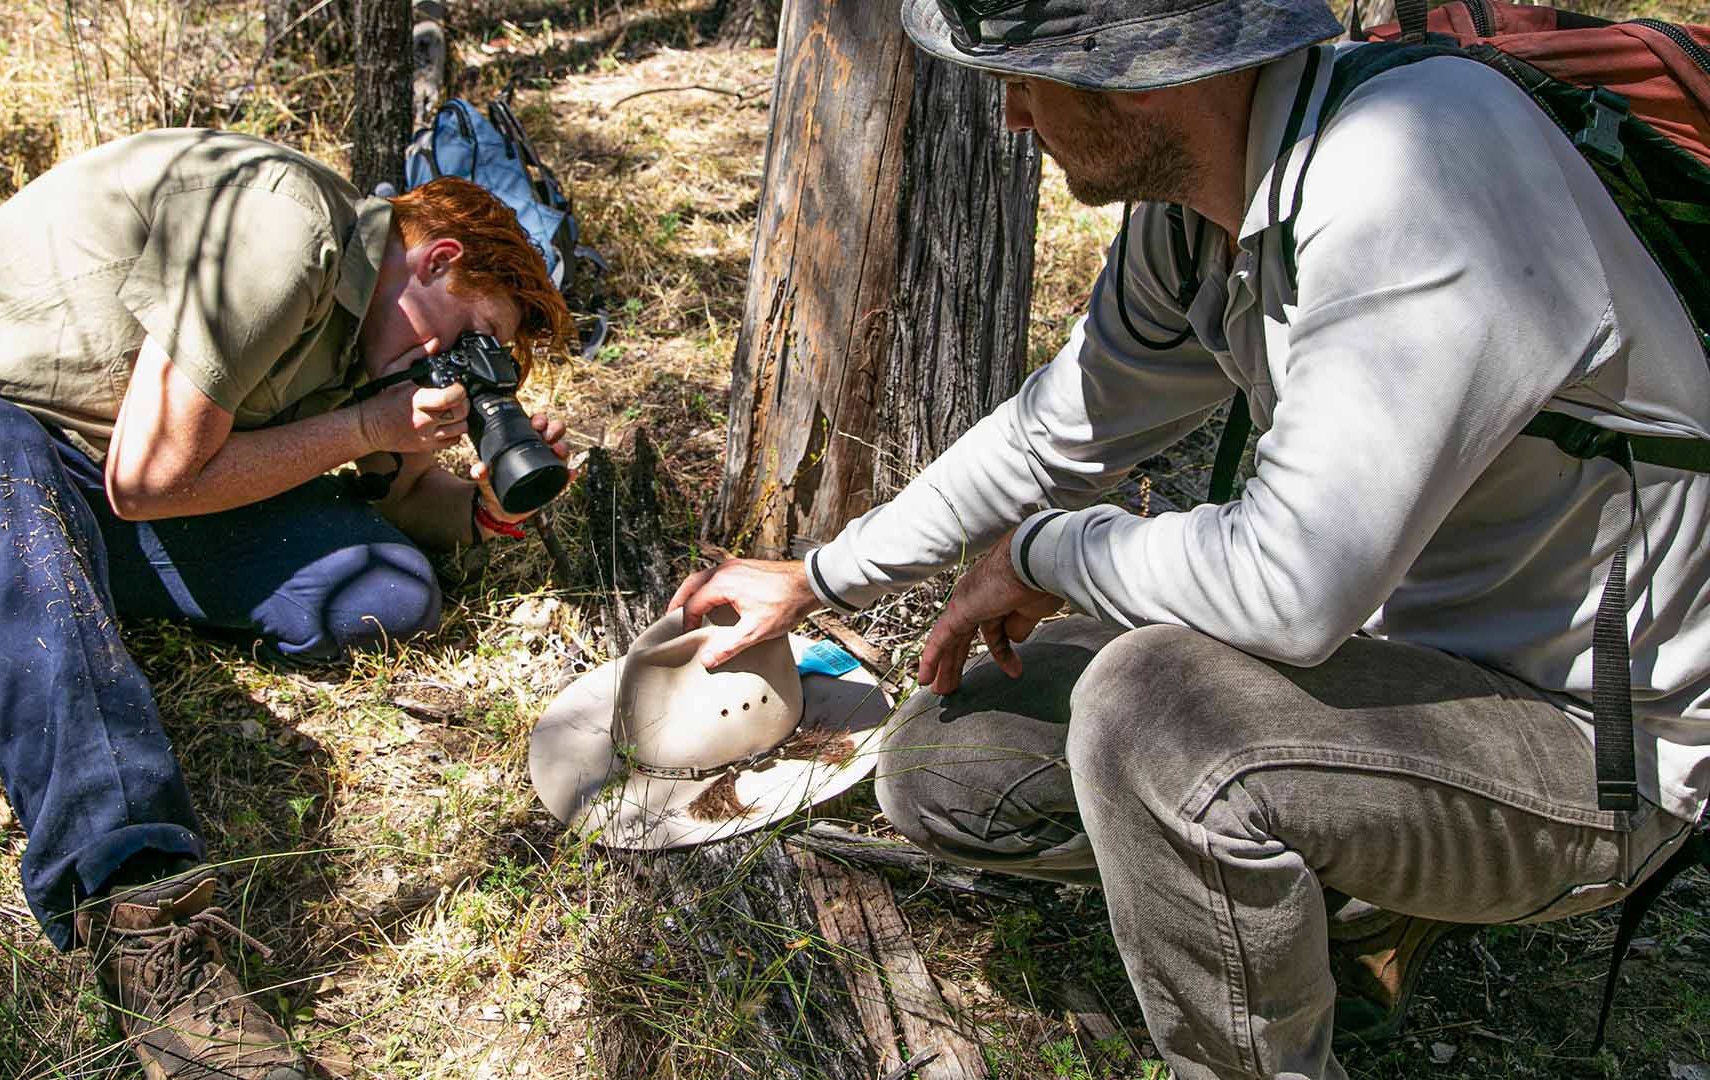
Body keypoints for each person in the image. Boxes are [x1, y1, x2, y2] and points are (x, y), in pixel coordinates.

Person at [669, 2, 1710, 1076]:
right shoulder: (1205, 208)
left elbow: (1288, 588)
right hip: (1393, 677)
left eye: (1029, 80)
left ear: (1144, 76)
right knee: (949, 758)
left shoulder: (1414, 166)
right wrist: (817, 576)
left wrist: (1046, 555)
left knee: (1159, 713)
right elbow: (1057, 428)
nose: (1016, 118)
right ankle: (1347, 901)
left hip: (1592, 747)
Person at [0, 128, 573, 1079]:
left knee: (386, 589)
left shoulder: (371, 347)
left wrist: (484, 508)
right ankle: (139, 908)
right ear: (435, 259)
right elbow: (154, 477)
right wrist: (366, 425)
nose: (438, 367)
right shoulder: (286, 222)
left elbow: (408, 503)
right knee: (0, 458)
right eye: (457, 340)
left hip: (88, 490)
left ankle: (50, 595)